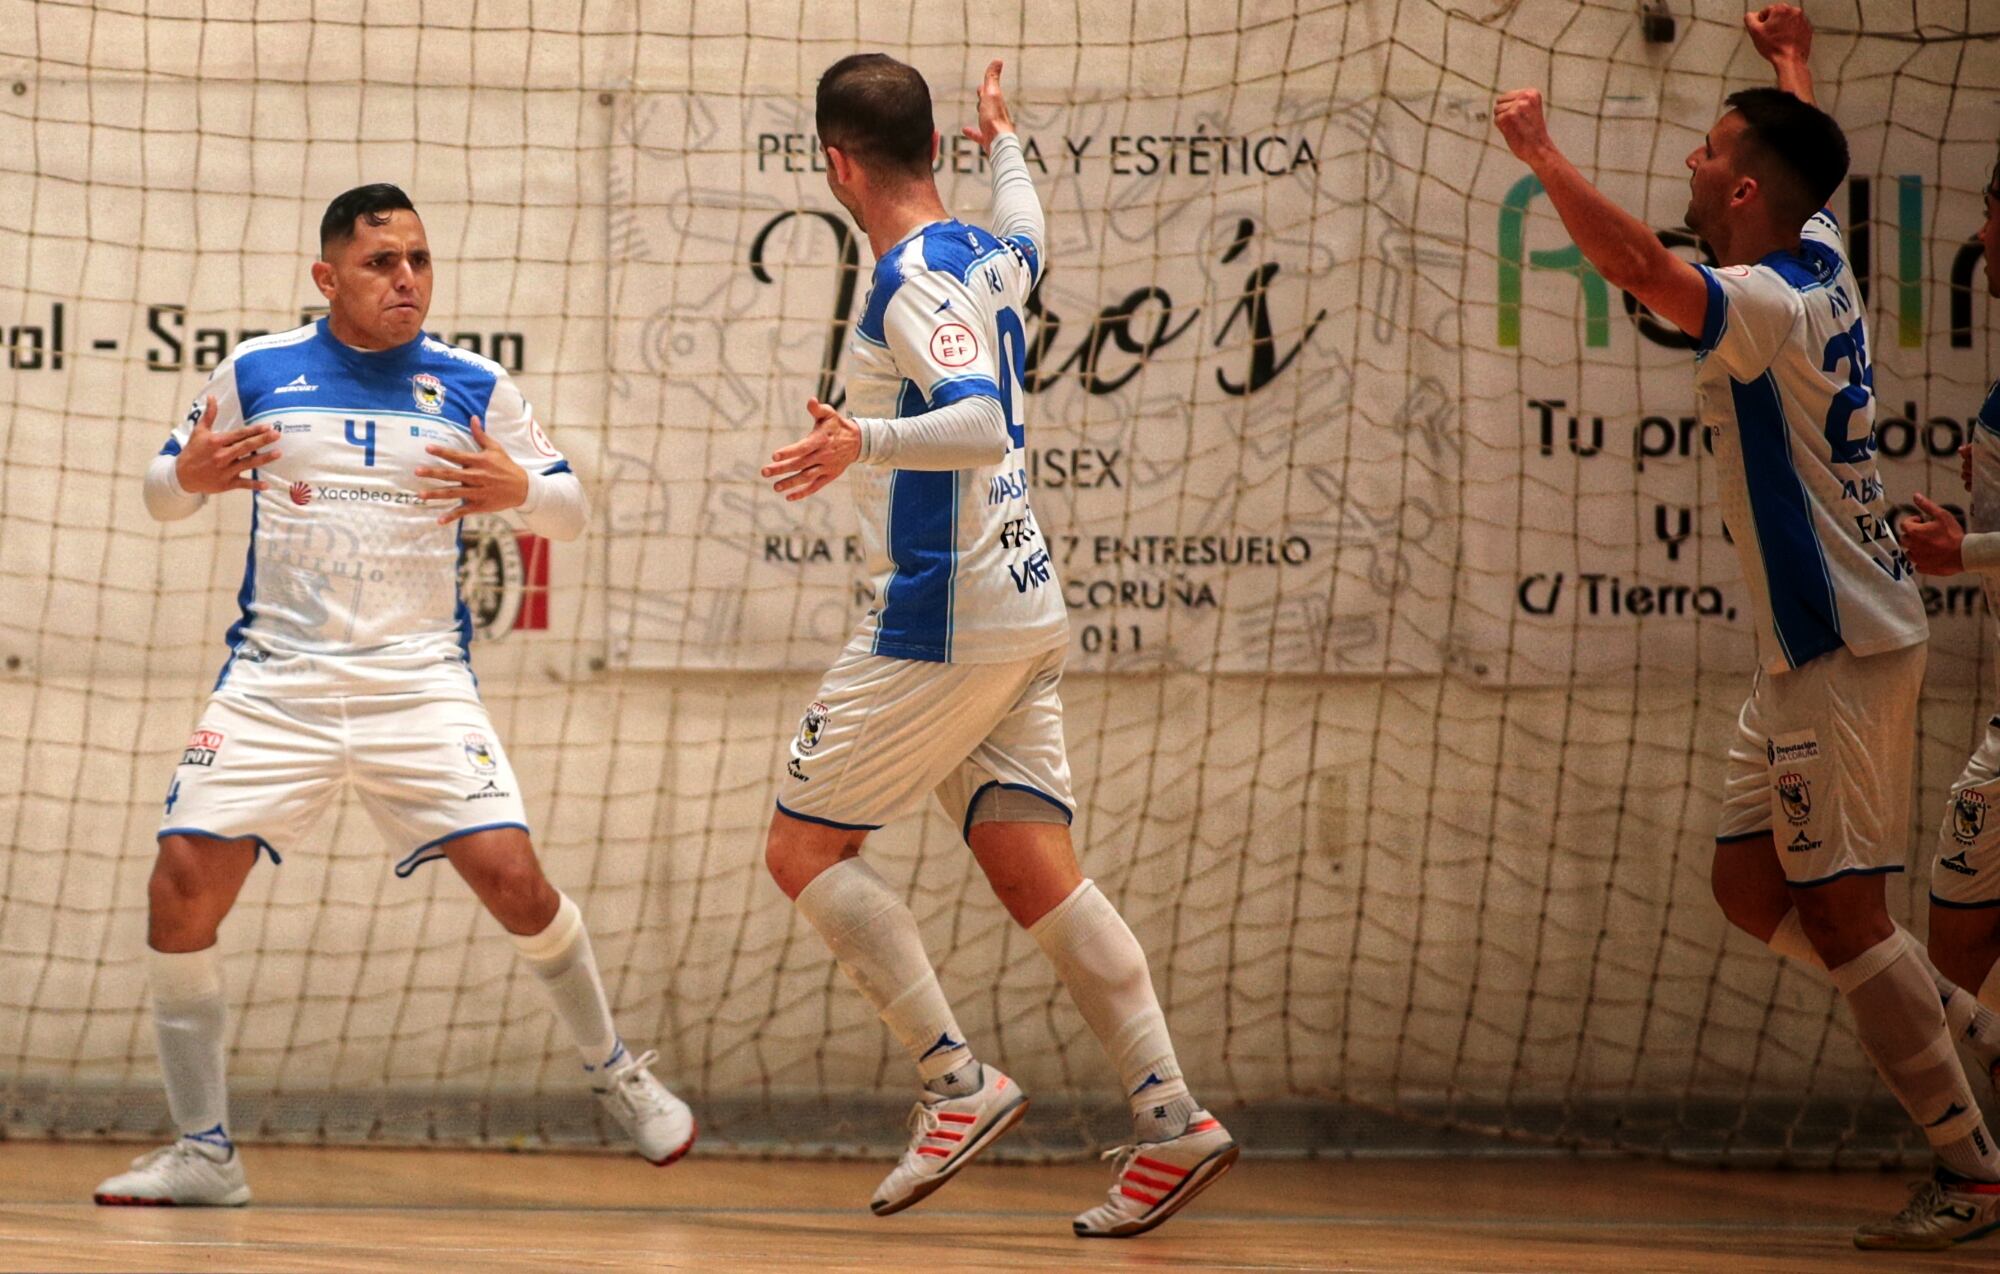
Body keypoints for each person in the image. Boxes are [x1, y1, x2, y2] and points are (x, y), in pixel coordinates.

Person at [1496, 6, 2000, 1250]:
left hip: (1837, 644)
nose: (1687, 162)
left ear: (1740, 188)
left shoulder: (1770, 297)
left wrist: (1544, 156)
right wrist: (1789, 66)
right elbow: (1807, 170)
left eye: (1706, 148)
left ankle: (1970, 1166)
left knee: (1843, 916)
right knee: (1742, 886)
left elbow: (1634, 271)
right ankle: (1971, 1031)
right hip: (1806, 653)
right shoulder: (1816, 253)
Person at [94, 184, 694, 1207]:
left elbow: (573, 508)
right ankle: (204, 1150)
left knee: (514, 877)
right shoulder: (255, 370)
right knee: (178, 885)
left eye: (417, 259)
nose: (405, 278)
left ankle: (615, 1070)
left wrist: (525, 494)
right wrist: (188, 472)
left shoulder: (475, 382)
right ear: (328, 277)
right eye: (380, 262)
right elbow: (161, 489)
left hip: (418, 683)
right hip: (275, 681)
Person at [756, 57, 1236, 1238]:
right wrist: (1007, 142)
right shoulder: (975, 249)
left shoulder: (909, 277)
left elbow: (979, 419)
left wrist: (855, 441)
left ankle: (952, 1081)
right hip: (1023, 601)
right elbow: (1031, 236)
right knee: (1034, 868)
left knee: (801, 846)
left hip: (945, 613)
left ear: (835, 163)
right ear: (933, 149)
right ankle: (1172, 1119)